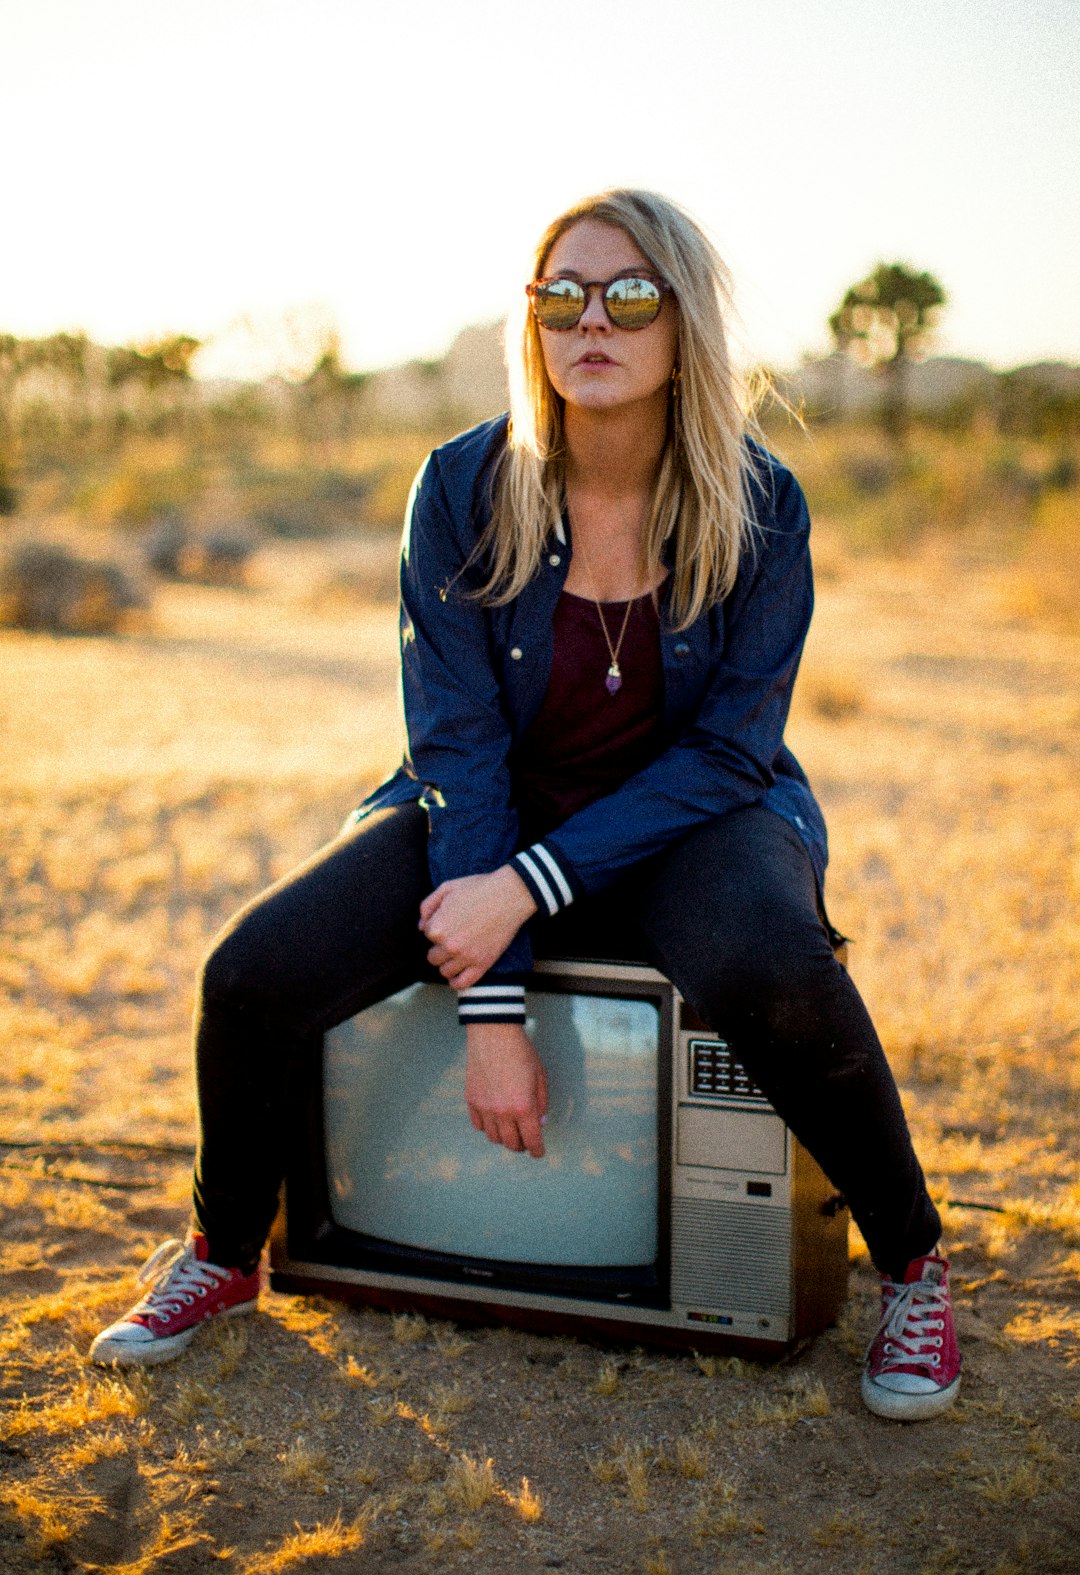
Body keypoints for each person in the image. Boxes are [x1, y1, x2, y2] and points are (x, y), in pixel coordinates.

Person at [90, 189, 960, 1422]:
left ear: (684, 321)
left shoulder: (763, 505)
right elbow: (455, 737)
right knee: (248, 974)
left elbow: (730, 751)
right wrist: (490, 1005)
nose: (589, 319)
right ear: (532, 322)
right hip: (489, 798)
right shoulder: (458, 486)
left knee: (775, 964)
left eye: (629, 293)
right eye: (561, 295)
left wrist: (525, 894)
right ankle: (226, 1255)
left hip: (695, 813)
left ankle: (916, 1265)